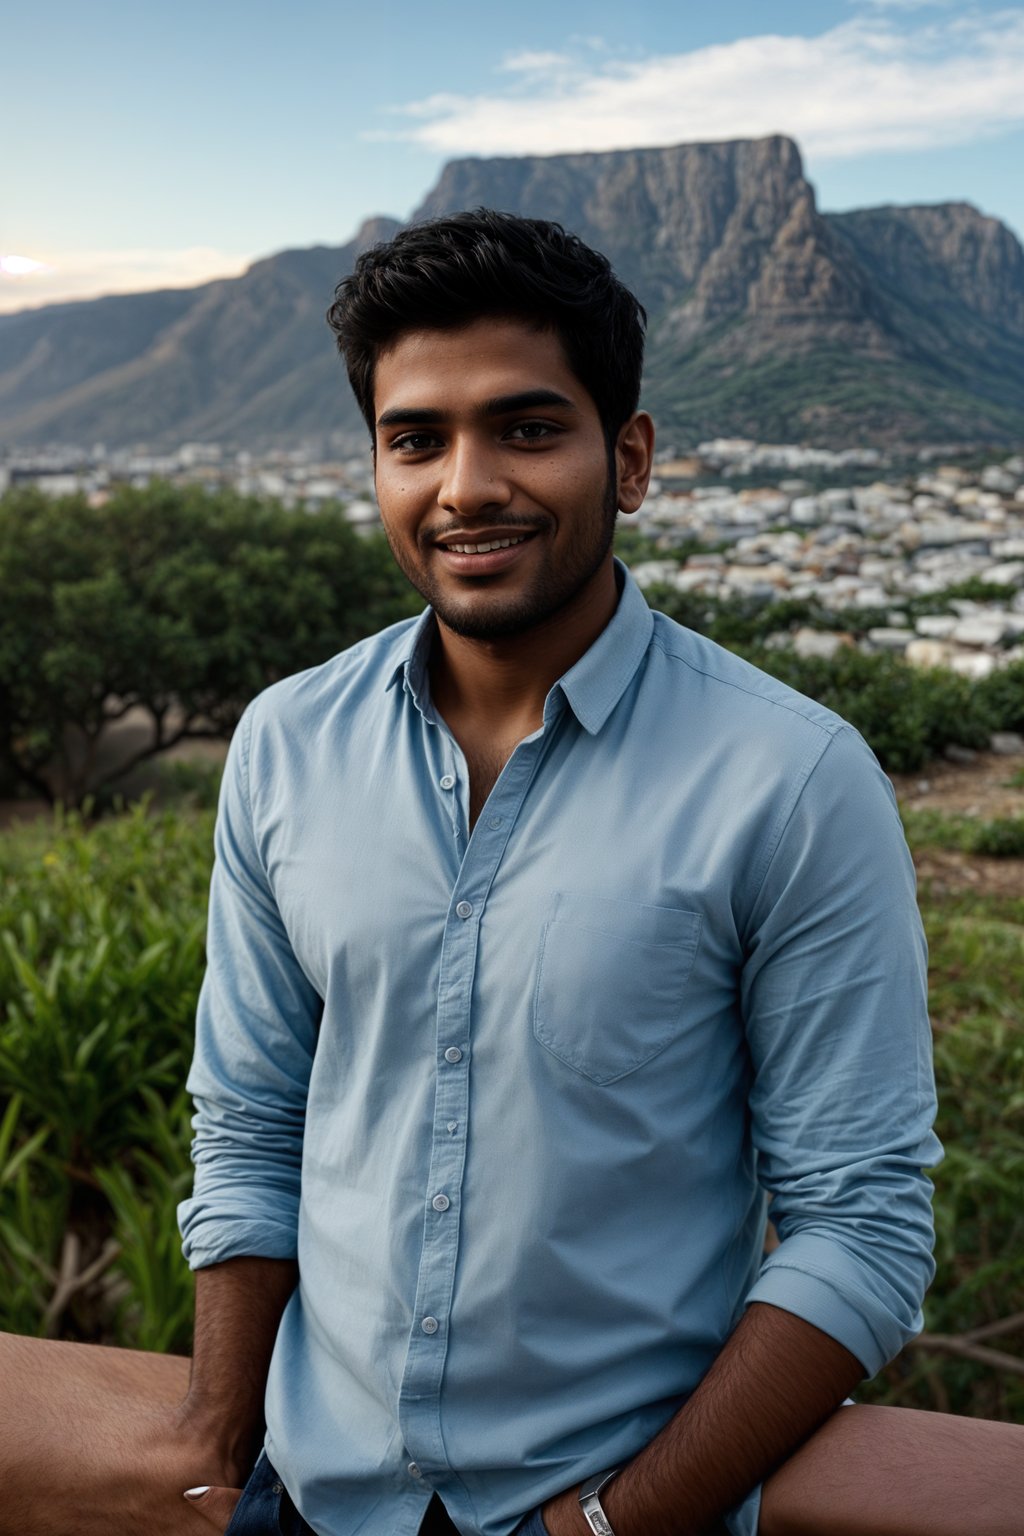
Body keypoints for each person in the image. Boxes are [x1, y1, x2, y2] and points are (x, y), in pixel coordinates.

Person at [180, 209, 943, 1536]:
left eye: (527, 429)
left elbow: (864, 1227)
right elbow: (250, 1123)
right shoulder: (285, 746)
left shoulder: (790, 781)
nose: (466, 485)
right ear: (374, 464)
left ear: (630, 458)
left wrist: (618, 1524)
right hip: (304, 1498)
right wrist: (213, 1451)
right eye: (415, 438)